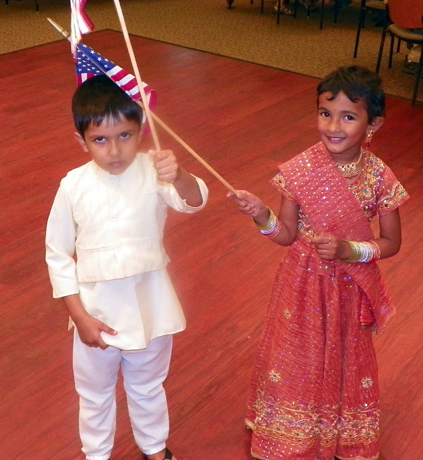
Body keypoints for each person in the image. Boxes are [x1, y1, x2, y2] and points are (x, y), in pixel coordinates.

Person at [228, 66, 409, 460]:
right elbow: (286, 235)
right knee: (297, 353)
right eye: (325, 113)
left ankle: (340, 429)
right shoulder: (300, 170)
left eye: (348, 116)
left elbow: (392, 242)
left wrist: (350, 250)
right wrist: (261, 215)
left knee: (344, 353)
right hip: (300, 283)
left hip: (349, 286)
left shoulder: (379, 176)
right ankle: (292, 430)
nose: (333, 126)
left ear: (372, 123)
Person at [45, 75, 209, 460]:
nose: (115, 150)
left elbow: (195, 201)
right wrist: (79, 316)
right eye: (100, 139)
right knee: (94, 391)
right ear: (81, 141)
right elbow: (56, 253)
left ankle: (154, 448)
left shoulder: (154, 169)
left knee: (148, 384)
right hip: (95, 310)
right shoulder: (72, 186)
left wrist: (180, 174)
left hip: (150, 305)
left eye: (125, 135)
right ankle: (97, 453)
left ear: (141, 131)